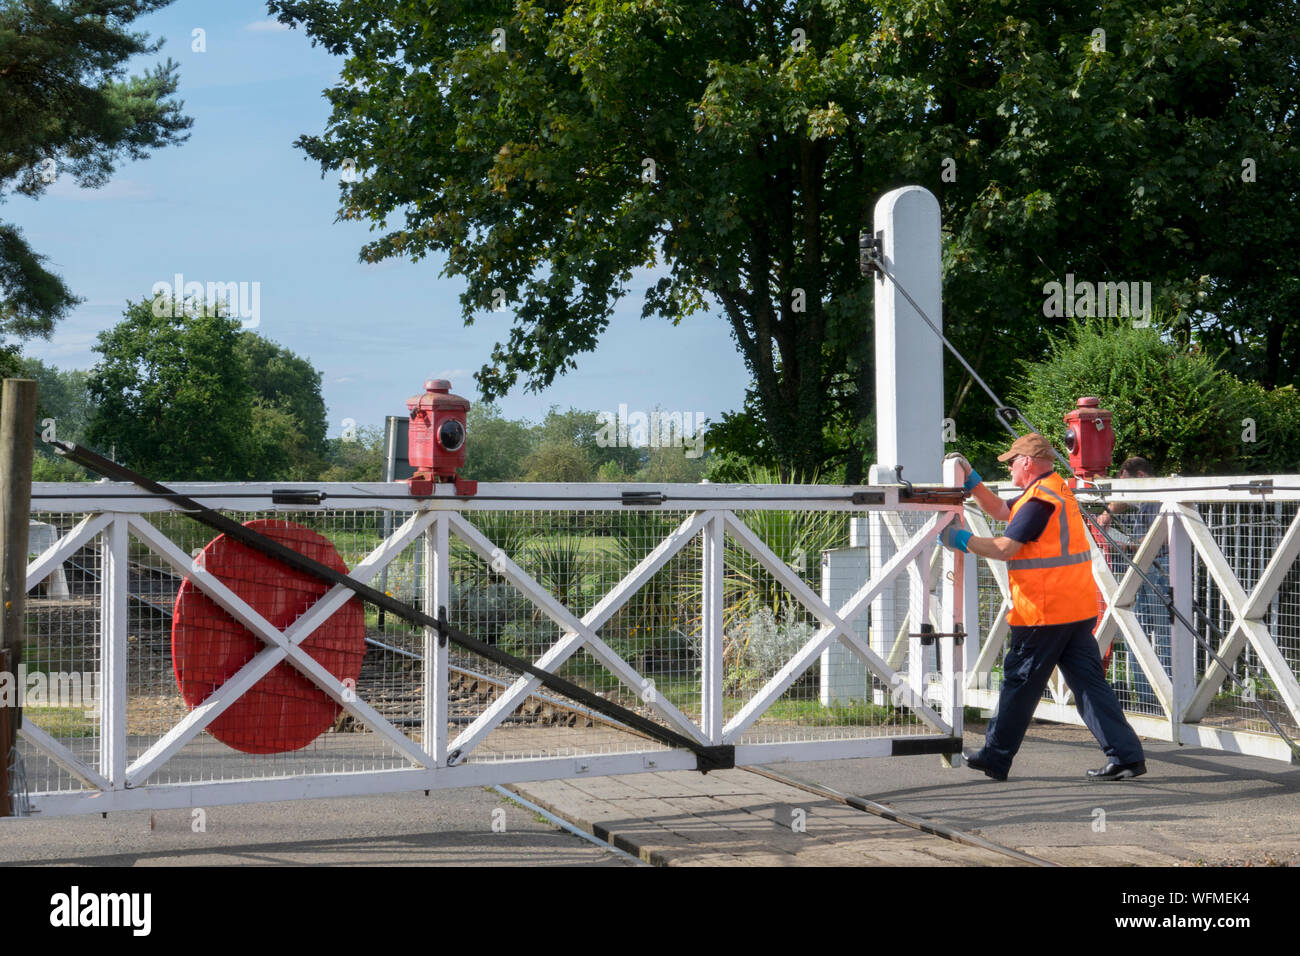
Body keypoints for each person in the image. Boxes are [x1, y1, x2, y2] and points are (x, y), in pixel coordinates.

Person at [941, 433, 1147, 781]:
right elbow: (1004, 510)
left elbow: (1006, 548)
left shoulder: (1039, 500)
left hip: (1043, 611)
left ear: (1026, 462)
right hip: (1075, 609)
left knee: (1019, 684)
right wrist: (973, 480)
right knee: (1089, 686)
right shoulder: (1054, 488)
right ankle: (1126, 756)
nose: (1007, 468)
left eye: (1011, 462)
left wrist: (959, 540)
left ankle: (995, 756)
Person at [1096, 456, 1170, 711]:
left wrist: (1125, 544)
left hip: (1161, 570)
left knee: (1164, 634)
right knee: (1134, 633)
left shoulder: (1163, 495)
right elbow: (1123, 500)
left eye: (1126, 483)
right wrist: (1106, 514)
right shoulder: (1145, 495)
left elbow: (1162, 540)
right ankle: (1148, 698)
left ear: (1140, 477)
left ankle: (1167, 696)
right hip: (1142, 570)